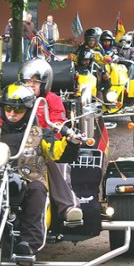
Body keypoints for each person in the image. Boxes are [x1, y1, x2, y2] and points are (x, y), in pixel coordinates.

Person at [0, 82, 82, 258]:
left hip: (28, 179)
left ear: (28, 111)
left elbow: (57, 152)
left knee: (37, 190)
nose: (12, 114)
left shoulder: (40, 133)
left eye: (18, 110)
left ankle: (29, 245)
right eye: (8, 108)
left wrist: (71, 142)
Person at [18, 59, 82, 223]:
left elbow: (58, 125)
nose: (30, 85)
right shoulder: (15, 98)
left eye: (35, 82)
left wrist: (44, 134)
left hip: (44, 144)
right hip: (17, 143)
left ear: (44, 84)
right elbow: (1, 122)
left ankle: (69, 206)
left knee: (56, 160)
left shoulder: (52, 100)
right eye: (27, 81)